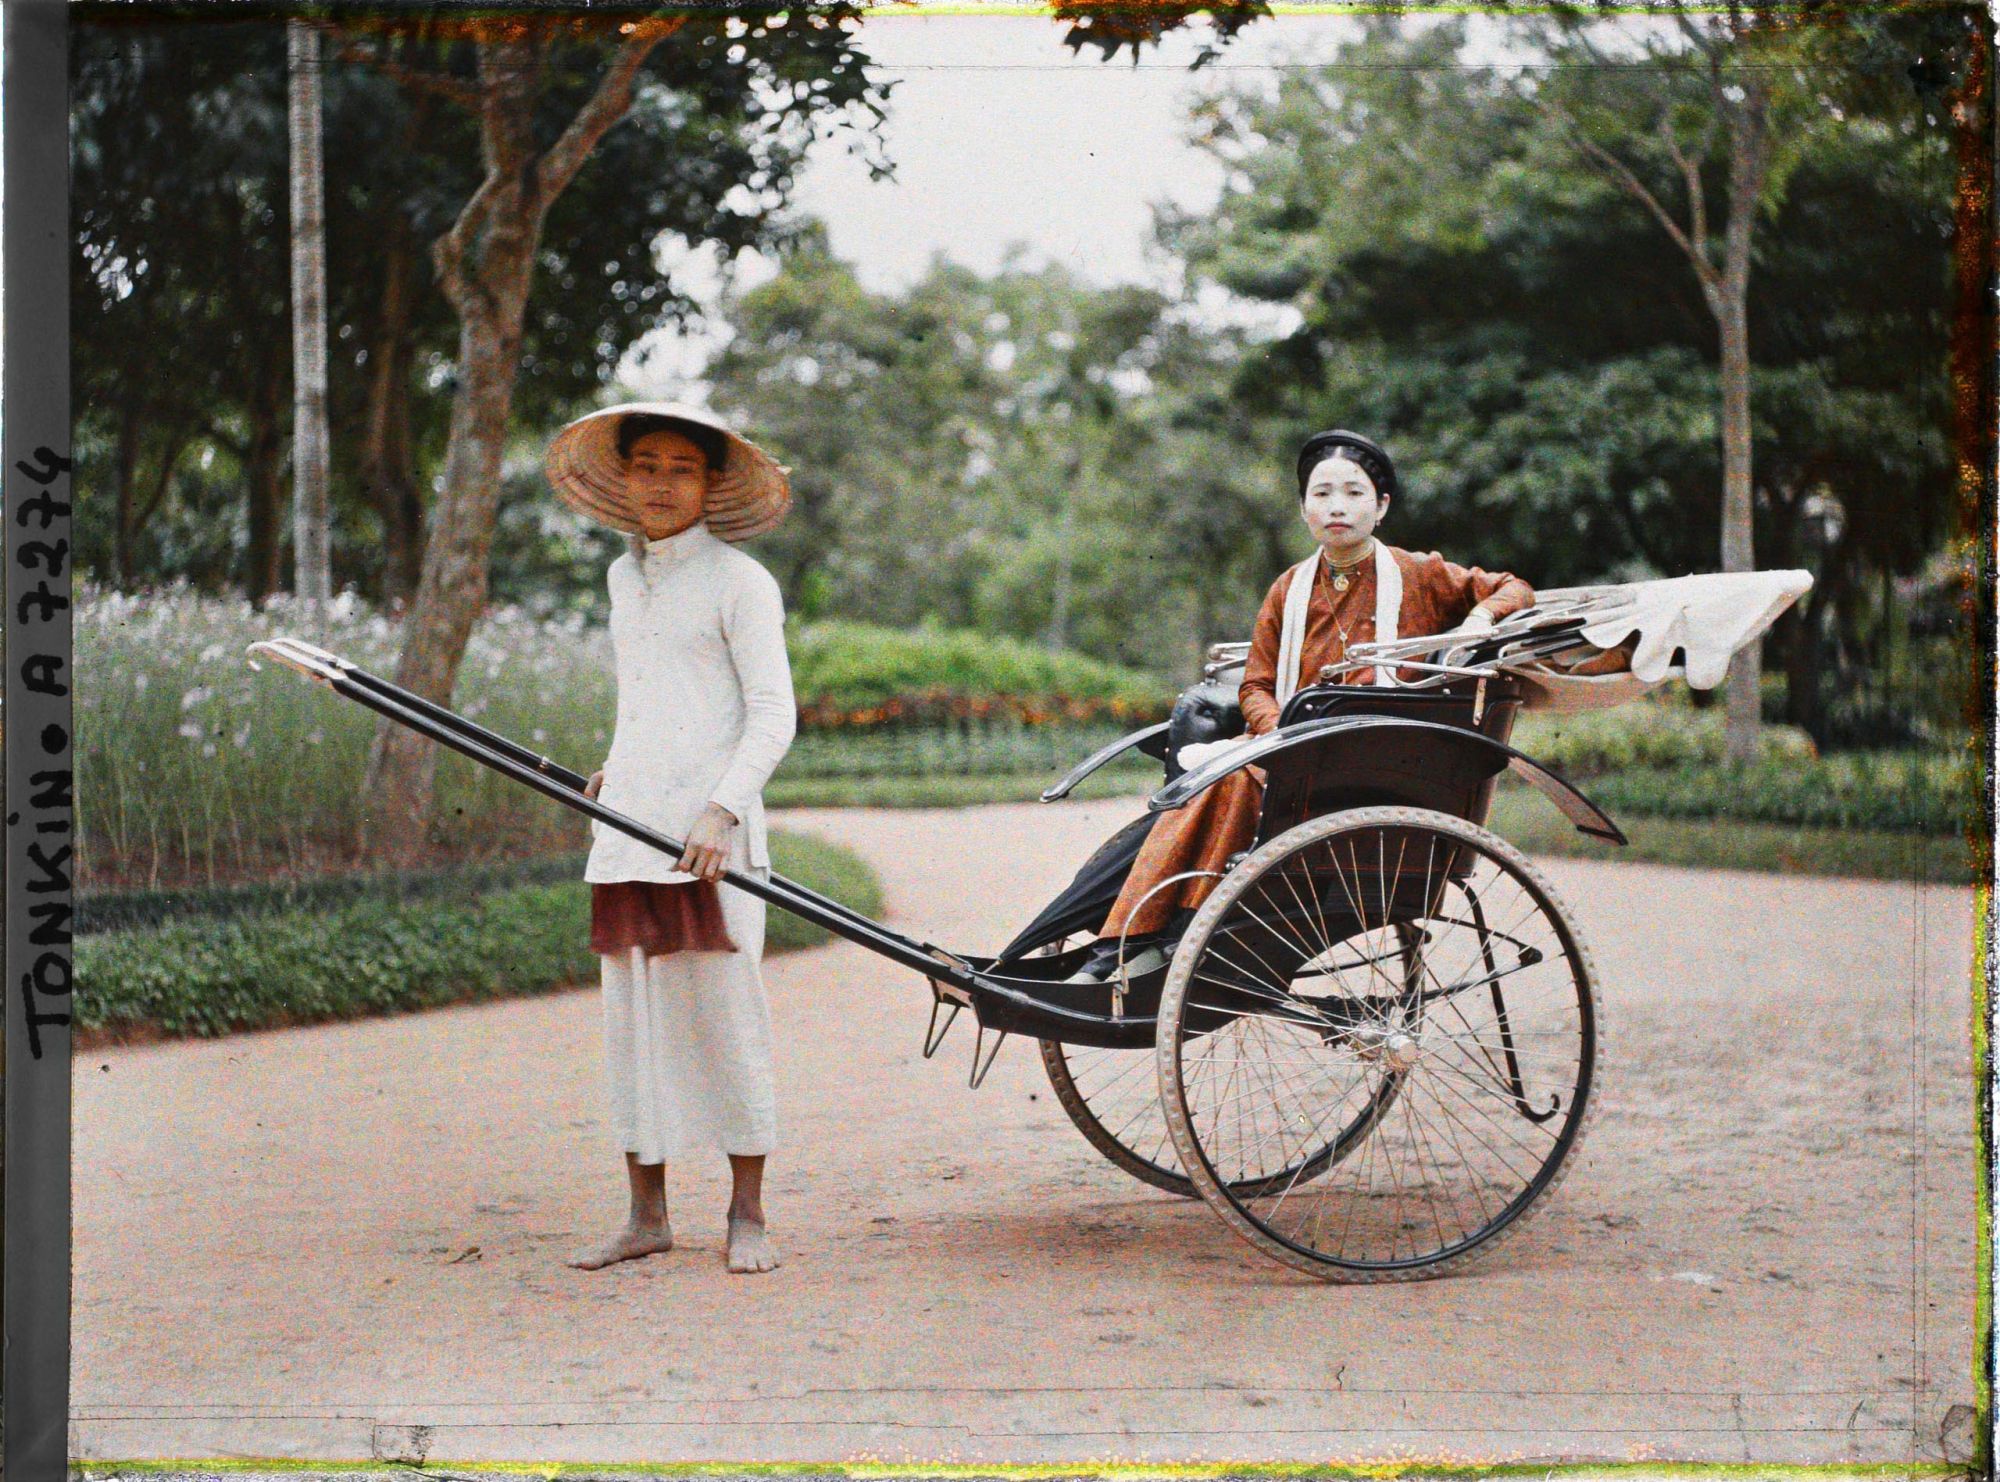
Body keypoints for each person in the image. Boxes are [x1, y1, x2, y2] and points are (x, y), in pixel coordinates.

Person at [1065, 429, 1534, 984]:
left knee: (1234, 776)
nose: (1338, 507)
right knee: (1213, 777)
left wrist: (1480, 617)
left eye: (1355, 494)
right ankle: (1135, 936)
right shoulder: (1289, 588)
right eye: (1323, 493)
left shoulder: (1419, 574)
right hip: (1293, 742)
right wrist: (1278, 730)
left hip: (1375, 752)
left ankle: (1170, 932)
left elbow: (1514, 587)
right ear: (1304, 507)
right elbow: (1256, 685)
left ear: (1381, 507)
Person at [543, 400, 798, 1274]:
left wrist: (720, 809)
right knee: (634, 1022)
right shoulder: (624, 579)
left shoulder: (741, 581)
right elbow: (648, 698)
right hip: (630, 827)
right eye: (644, 464)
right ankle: (646, 1216)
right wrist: (621, 767)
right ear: (624, 480)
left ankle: (746, 1215)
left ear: (711, 484)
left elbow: (772, 714)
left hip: (712, 838)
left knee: (725, 1019)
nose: (659, 481)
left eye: (680, 467)